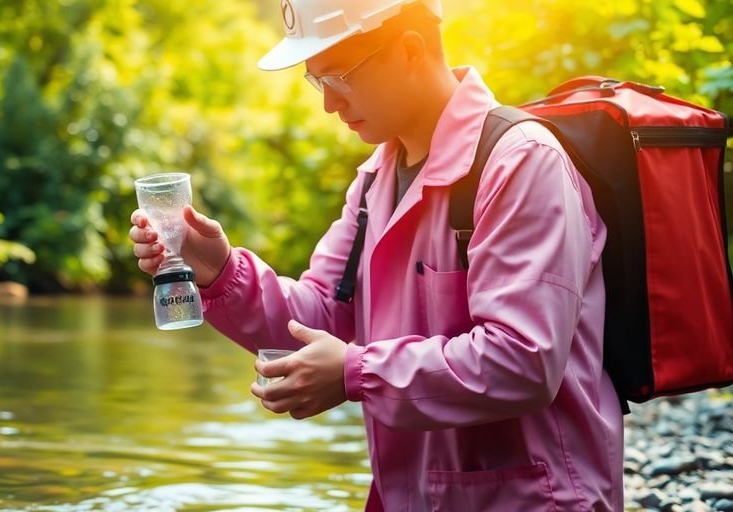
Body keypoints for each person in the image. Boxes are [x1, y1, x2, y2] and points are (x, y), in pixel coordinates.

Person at [129, 0, 623, 509]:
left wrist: (354, 372)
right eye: (316, 81)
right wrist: (219, 269)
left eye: (338, 77)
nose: (328, 104)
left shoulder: (520, 163)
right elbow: (319, 319)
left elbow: (522, 360)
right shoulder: (374, 183)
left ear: (409, 49)